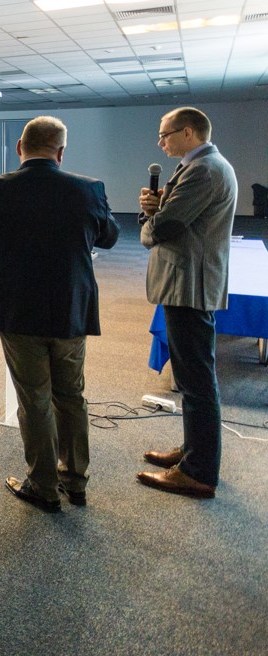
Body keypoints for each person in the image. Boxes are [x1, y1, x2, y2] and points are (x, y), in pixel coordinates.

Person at [0, 116, 119, 512]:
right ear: (61, 152)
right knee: (71, 395)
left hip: (18, 308)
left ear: (19, 149)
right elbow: (110, 237)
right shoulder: (89, 189)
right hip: (70, 307)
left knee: (34, 398)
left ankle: (43, 486)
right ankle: (75, 481)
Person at [136, 106, 238, 500]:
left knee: (195, 381)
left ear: (190, 132)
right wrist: (157, 208)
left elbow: (167, 228)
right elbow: (176, 215)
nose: (160, 142)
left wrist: (150, 222)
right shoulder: (200, 165)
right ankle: (195, 453)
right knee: (193, 377)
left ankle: (197, 471)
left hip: (189, 283)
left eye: (166, 134)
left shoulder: (204, 170)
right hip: (190, 279)